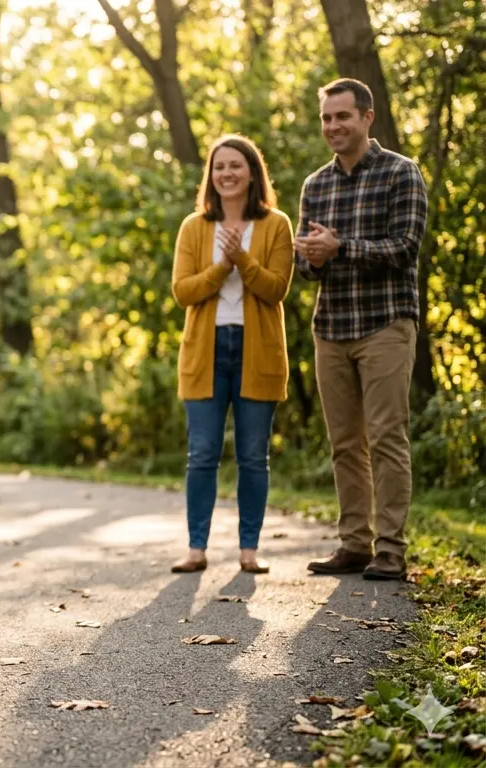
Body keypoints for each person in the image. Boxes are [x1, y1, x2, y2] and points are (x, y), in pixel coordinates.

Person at [296, 78, 428, 581]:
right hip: (332, 327)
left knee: (387, 436)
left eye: (342, 117)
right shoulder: (316, 185)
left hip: (385, 324)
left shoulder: (401, 173)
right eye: (327, 118)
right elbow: (311, 268)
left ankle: (390, 549)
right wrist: (308, 258)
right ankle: (354, 543)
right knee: (344, 442)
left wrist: (340, 247)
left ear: (367, 118)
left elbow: (404, 248)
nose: (333, 126)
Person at [170, 135, 294, 576]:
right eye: (219, 166)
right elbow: (183, 291)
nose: (227, 173)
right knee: (202, 454)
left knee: (252, 456)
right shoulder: (194, 226)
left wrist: (240, 256)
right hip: (205, 350)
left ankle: (249, 551)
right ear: (211, 175)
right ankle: (197, 549)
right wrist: (222, 265)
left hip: (256, 350)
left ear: (252, 172)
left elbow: (276, 288)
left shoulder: (276, 224)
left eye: (236, 166)